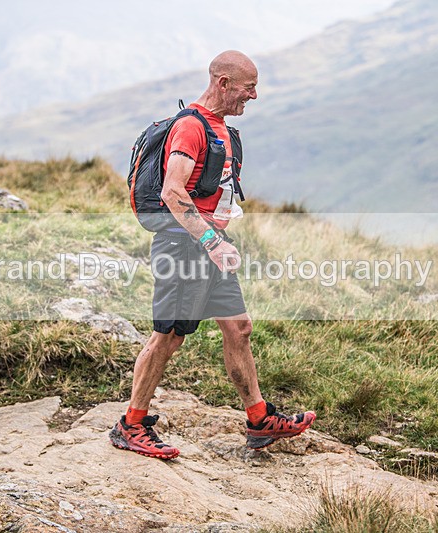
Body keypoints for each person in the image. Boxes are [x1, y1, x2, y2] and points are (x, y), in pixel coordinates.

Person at [109, 50, 316, 459]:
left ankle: (259, 420)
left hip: (209, 247)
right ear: (223, 83)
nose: (253, 96)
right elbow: (172, 191)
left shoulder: (222, 128)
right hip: (185, 245)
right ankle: (130, 425)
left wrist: (216, 242)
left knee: (238, 329)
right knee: (168, 335)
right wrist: (212, 242)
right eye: (249, 87)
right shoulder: (191, 127)